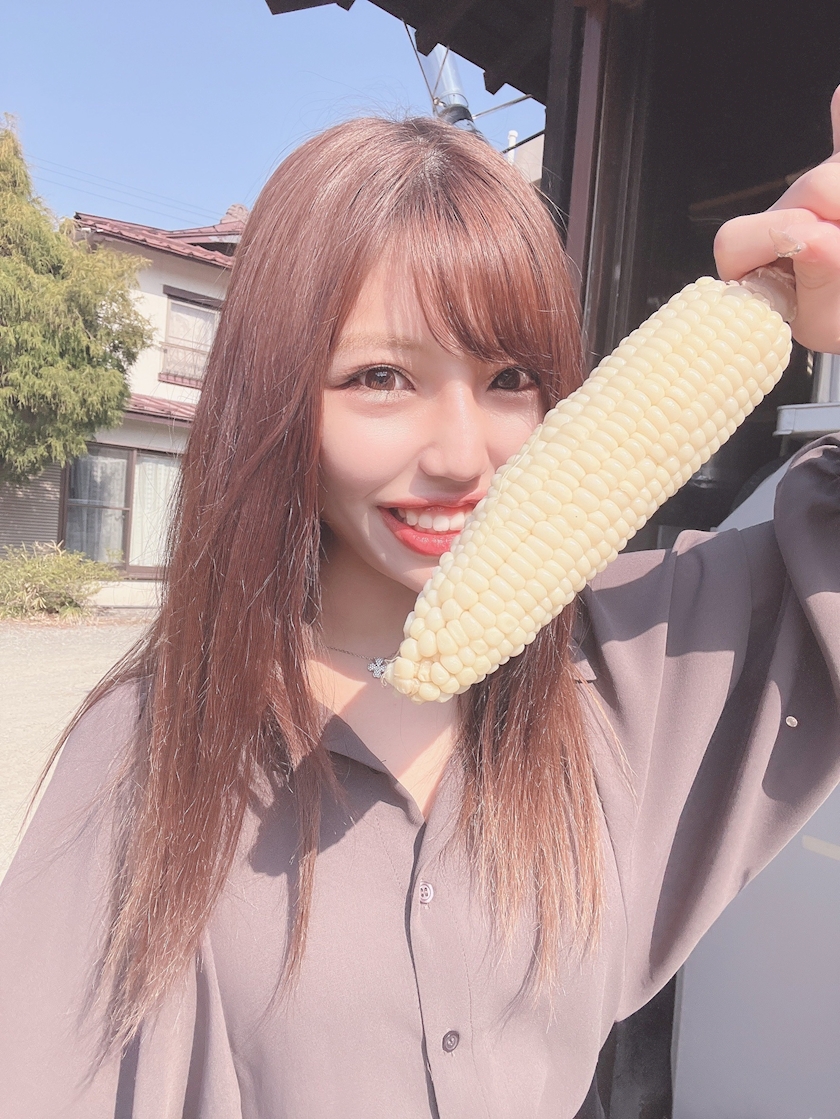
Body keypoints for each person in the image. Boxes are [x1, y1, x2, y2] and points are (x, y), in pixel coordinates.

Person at [2, 90, 840, 1119]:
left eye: (510, 377)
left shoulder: (634, 660)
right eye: (381, 377)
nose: (459, 455)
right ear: (277, 398)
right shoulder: (153, 743)